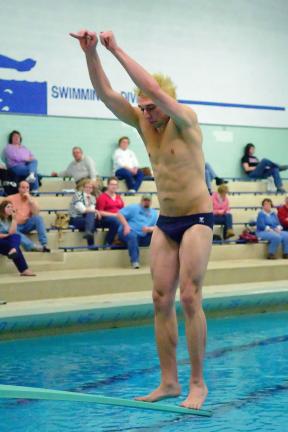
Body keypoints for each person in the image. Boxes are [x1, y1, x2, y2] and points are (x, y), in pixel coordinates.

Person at [71, 29, 214, 410]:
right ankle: (169, 382)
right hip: (168, 222)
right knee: (159, 297)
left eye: (151, 106)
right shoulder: (143, 124)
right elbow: (106, 95)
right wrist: (91, 54)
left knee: (189, 296)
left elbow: (148, 84)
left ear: (166, 103)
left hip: (198, 218)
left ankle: (197, 384)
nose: (146, 113)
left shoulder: (185, 119)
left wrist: (116, 49)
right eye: (143, 107)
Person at [8, 181, 50, 252]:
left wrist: (30, 202)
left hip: (27, 225)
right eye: (23, 187)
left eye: (27, 188)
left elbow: (36, 213)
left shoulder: (32, 199)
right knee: (10, 228)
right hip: (14, 225)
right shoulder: (10, 198)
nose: (25, 190)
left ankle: (44, 244)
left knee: (38, 218)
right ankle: (32, 246)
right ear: (19, 189)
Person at [117, 194, 158, 268]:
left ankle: (161, 261)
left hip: (144, 235)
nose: (146, 202)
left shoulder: (154, 213)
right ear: (141, 200)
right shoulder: (133, 207)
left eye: (148, 200)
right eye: (145, 200)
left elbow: (158, 227)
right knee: (132, 236)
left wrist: (150, 229)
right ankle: (135, 261)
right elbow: (119, 214)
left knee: (160, 235)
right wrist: (126, 225)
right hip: (129, 231)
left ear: (151, 202)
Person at [0, 200, 35, 276]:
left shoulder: (10, 219)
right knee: (15, 247)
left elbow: (12, 232)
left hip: (5, 242)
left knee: (16, 236)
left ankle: (13, 250)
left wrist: (14, 219)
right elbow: (7, 235)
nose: (10, 208)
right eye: (8, 207)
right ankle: (24, 270)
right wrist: (5, 235)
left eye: (11, 207)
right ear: (3, 208)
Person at [69, 179, 101, 246]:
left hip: (87, 219)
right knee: (91, 221)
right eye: (87, 187)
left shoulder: (93, 198)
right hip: (76, 218)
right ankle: (91, 245)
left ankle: (88, 232)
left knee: (92, 218)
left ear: (92, 189)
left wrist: (93, 211)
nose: (88, 189)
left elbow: (91, 210)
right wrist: (96, 211)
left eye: (90, 187)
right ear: (83, 188)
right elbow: (82, 210)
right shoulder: (77, 195)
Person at [96, 176, 124, 247]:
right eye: (112, 184)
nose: (114, 186)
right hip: (105, 219)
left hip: (118, 217)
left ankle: (122, 243)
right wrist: (115, 215)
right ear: (108, 185)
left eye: (115, 185)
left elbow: (123, 209)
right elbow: (100, 212)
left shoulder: (118, 197)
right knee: (115, 221)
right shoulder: (102, 197)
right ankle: (107, 242)